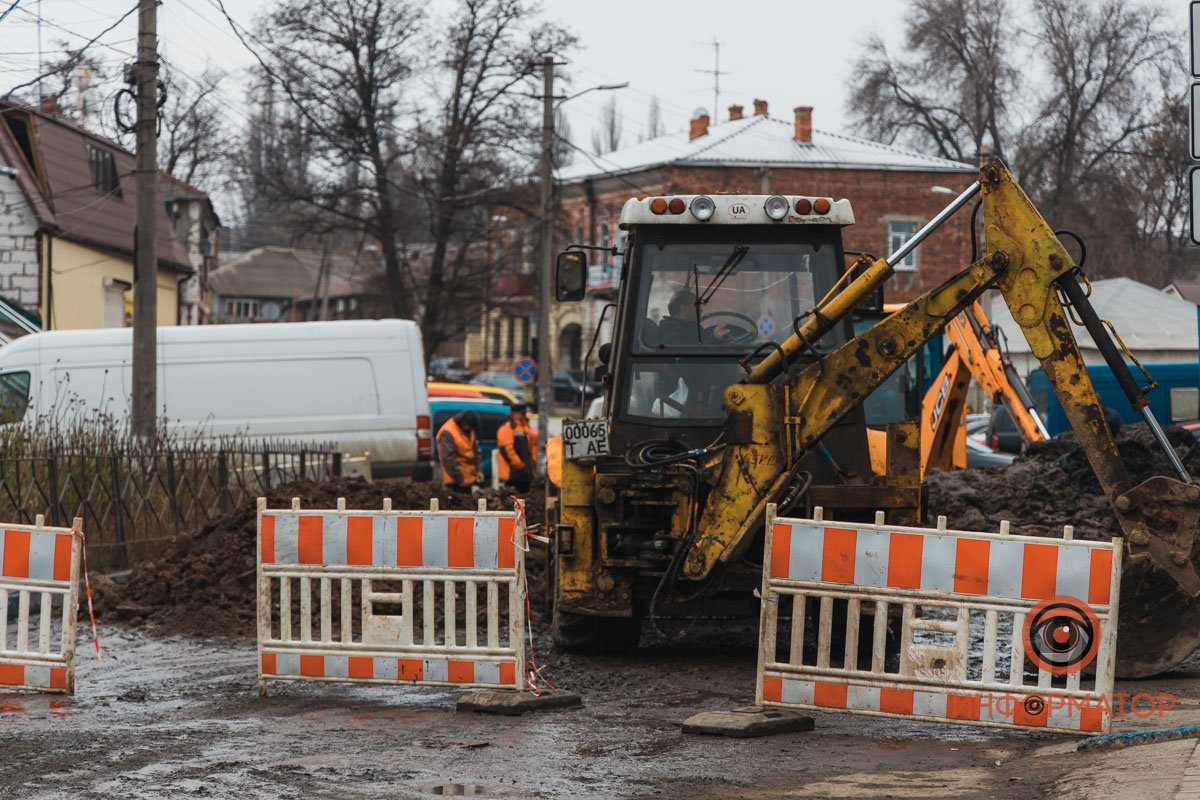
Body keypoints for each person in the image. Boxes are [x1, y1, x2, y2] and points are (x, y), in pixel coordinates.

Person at [436, 410, 482, 492]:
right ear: (464, 423)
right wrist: (460, 479)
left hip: (467, 478)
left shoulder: (470, 430)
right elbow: (448, 459)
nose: (471, 430)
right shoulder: (447, 432)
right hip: (453, 480)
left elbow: (476, 451)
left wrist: (479, 470)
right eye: (470, 427)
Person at [496, 403, 538, 492]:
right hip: (513, 475)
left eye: (524, 413)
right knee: (514, 501)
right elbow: (506, 450)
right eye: (521, 413)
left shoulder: (526, 427)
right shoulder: (507, 428)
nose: (524, 415)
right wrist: (519, 465)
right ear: (513, 413)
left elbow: (532, 448)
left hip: (526, 474)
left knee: (523, 501)